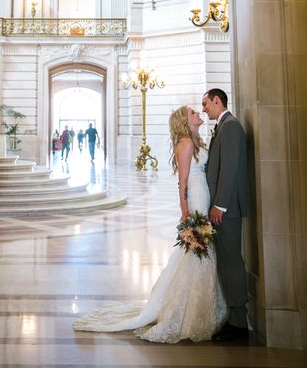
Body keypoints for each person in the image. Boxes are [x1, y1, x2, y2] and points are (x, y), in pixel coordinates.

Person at [74, 106, 227, 342]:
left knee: (198, 253)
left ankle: (197, 305)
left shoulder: (196, 141)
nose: (199, 114)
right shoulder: (186, 143)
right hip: (195, 199)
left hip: (203, 195)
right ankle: (187, 310)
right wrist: (185, 213)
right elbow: (182, 182)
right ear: (185, 121)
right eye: (193, 113)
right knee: (197, 251)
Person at [202, 88, 249, 342]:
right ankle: (234, 317)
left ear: (217, 100)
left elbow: (229, 169)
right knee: (228, 261)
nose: (203, 109)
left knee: (231, 262)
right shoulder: (224, 126)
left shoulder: (229, 127)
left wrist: (219, 205)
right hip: (224, 209)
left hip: (226, 211)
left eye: (205, 103)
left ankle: (239, 322)